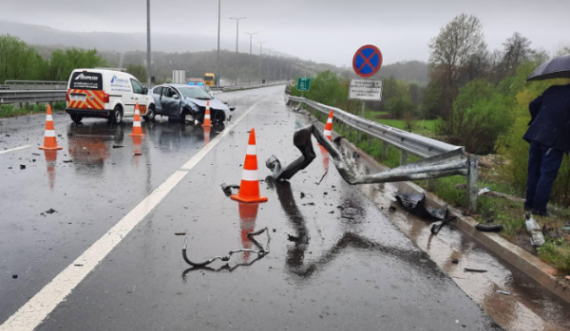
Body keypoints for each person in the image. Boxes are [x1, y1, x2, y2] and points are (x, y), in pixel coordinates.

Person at [523, 83, 570, 216]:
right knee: (547, 174)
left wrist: (539, 120)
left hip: (536, 134)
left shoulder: (553, 89)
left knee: (533, 170)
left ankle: (529, 204)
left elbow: (533, 104)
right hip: (554, 140)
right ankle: (539, 208)